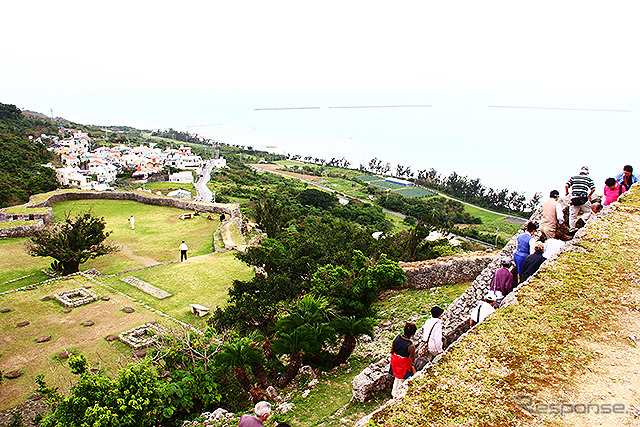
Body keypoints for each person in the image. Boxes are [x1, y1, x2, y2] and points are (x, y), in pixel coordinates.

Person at [390, 322, 417, 398]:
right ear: (412, 335)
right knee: (402, 380)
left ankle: (393, 393)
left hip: (395, 361)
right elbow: (412, 359)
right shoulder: (411, 346)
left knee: (397, 378)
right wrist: (413, 368)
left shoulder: (397, 338)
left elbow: (392, 350)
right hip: (403, 364)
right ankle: (398, 396)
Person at [565, 166, 596, 232]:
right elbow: (593, 188)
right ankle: (582, 219)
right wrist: (589, 195)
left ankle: (572, 228)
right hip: (583, 198)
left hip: (574, 198)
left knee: (573, 215)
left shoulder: (573, 177)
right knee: (588, 211)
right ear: (587, 172)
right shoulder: (588, 179)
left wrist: (567, 192)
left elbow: (566, 185)